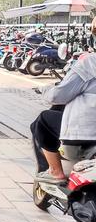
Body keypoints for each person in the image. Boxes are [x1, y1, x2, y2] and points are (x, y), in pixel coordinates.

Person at [34, 52, 96, 182]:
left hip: (87, 135)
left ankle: (55, 171)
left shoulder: (90, 62)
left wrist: (44, 90)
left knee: (43, 120)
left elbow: (57, 96)